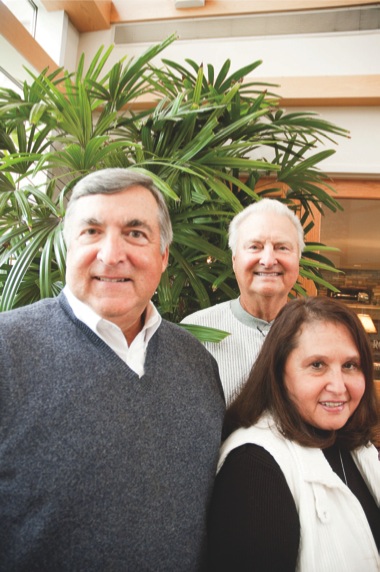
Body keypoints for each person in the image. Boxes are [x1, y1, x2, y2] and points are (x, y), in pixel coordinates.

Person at [0, 168, 225, 571]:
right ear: (68, 246)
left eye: (135, 233)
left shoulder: (197, 365)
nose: (111, 254)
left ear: (163, 256)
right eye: (91, 232)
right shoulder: (7, 350)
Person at [208, 296, 380, 572]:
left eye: (350, 365)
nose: (338, 386)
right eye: (317, 365)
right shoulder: (254, 467)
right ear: (278, 372)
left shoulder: (356, 444)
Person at [182, 198, 304, 404]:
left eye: (282, 248)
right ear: (234, 260)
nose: (268, 260)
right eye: (255, 247)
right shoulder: (194, 332)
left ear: (298, 260)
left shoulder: (319, 330)